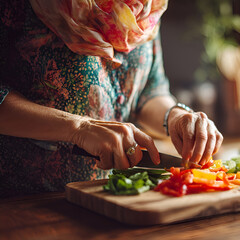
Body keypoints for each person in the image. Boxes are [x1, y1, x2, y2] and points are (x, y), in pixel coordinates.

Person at [0, 0, 223, 197]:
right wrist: (79, 127)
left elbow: (149, 90)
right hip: (23, 202)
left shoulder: (147, 7)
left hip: (105, 196)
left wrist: (176, 116)